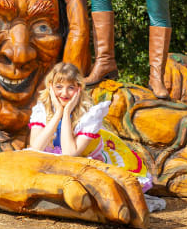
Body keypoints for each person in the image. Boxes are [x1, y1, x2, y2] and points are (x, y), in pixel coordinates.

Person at [27, 62, 153, 195]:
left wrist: (66, 113)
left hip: (95, 156)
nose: (64, 93)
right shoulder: (42, 110)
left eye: (71, 87)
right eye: (59, 87)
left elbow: (70, 153)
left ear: (79, 89)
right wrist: (58, 113)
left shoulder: (88, 116)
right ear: (50, 88)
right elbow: (36, 148)